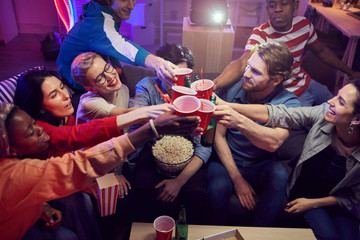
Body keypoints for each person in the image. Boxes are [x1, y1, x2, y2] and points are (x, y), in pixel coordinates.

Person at [0, 102, 200, 240]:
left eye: (34, 123)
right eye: (30, 131)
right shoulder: (11, 175)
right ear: (9, 149)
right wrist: (151, 129)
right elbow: (79, 163)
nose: (40, 130)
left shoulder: (25, 156)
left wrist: (42, 207)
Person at [213, 79, 360, 240]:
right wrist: (229, 106)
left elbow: (353, 198)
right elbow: (282, 114)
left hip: (340, 203)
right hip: (308, 193)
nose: (329, 101)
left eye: (340, 101)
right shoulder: (323, 113)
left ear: (356, 119)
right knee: (329, 237)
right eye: (336, 95)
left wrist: (313, 203)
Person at [206, 42, 301, 226]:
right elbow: (218, 136)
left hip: (261, 164)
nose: (246, 74)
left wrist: (239, 120)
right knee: (217, 189)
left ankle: (258, 233)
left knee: (279, 174)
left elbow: (274, 142)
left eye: (256, 72)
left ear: (276, 80)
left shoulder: (289, 103)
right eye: (248, 66)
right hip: (228, 159)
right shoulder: (234, 89)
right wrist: (237, 179)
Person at [213, 0, 360, 106]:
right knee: (313, 124)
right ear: (267, 9)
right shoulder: (261, 34)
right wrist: (213, 85)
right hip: (288, 92)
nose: (277, 9)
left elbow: (320, 50)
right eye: (272, 5)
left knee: (342, 107)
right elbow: (241, 63)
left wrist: (350, 72)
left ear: (295, 5)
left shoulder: (304, 25)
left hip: (307, 82)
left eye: (284, 3)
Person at [130, 43, 211, 223]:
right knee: (143, 187)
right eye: (172, 73)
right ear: (160, 70)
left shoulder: (199, 94)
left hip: (187, 157)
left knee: (196, 193)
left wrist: (179, 181)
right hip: (153, 152)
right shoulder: (148, 85)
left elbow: (204, 146)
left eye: (184, 75)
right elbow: (136, 117)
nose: (177, 80)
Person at [56, 0, 177, 92]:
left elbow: (108, 42)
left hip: (91, 70)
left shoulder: (103, 10)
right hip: (76, 83)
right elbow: (120, 44)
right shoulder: (98, 23)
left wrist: (116, 66)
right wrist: (157, 62)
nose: (131, 6)